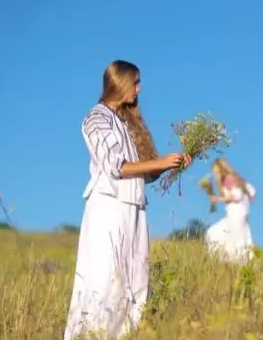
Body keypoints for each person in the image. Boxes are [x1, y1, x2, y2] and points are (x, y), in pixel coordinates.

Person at [64, 60, 192, 340]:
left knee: (136, 286)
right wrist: (158, 162)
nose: (139, 88)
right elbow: (115, 166)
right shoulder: (96, 118)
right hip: (108, 209)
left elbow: (144, 175)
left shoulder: (127, 122)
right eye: (135, 82)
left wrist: (170, 165)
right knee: (105, 282)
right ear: (120, 82)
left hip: (135, 211)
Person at [204, 158, 257, 265]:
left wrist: (217, 199)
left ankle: (232, 261)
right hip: (241, 215)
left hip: (235, 215)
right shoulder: (238, 178)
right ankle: (242, 261)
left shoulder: (228, 179)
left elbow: (235, 195)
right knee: (240, 237)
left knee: (215, 233)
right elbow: (251, 192)